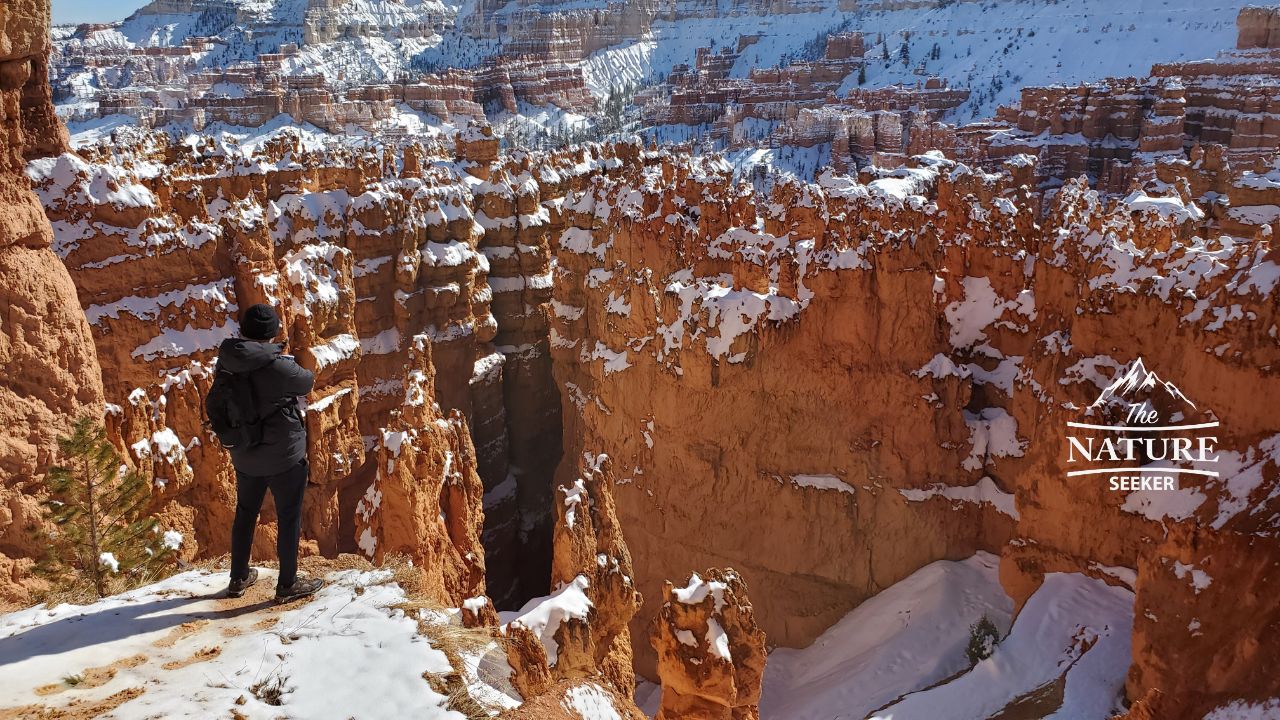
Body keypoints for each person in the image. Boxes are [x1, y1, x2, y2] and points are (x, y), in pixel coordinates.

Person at [207, 304, 324, 601]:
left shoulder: (227, 361)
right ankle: (287, 585)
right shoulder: (278, 366)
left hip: (245, 454)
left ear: (244, 332)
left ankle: (238, 578)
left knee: (245, 513)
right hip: (284, 457)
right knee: (288, 516)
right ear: (271, 334)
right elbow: (307, 380)